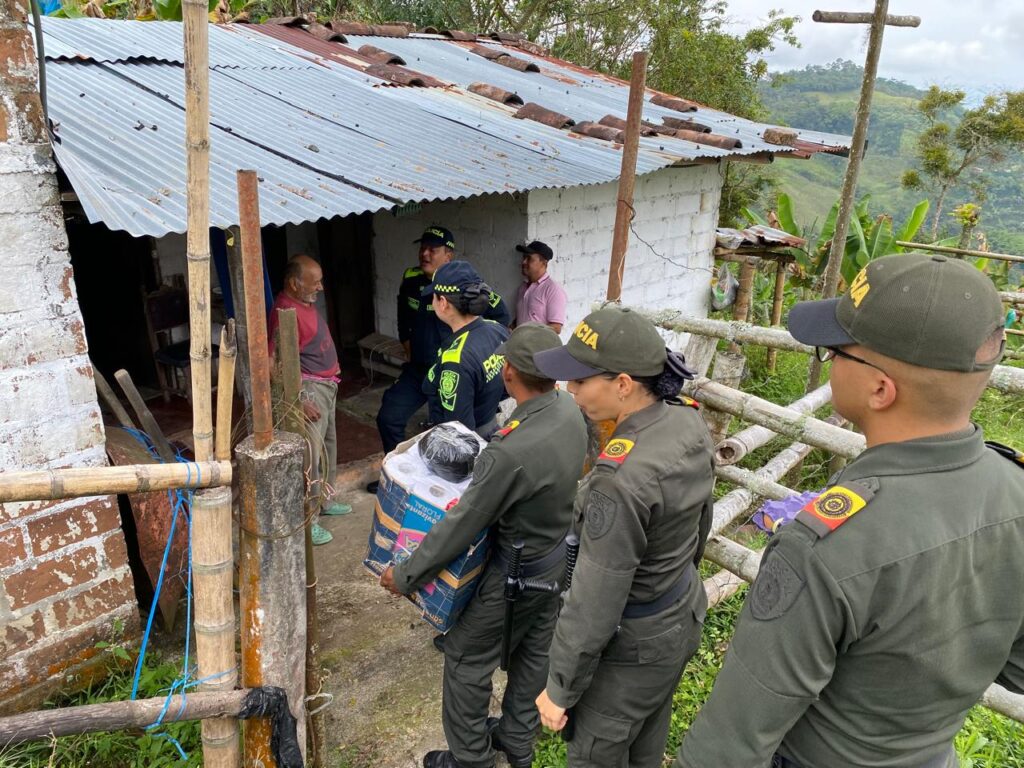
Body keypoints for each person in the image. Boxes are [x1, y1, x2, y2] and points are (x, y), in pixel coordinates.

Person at [675, 253, 1024, 768]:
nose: (829, 360)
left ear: (880, 389)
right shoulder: (1014, 489)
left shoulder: (823, 547)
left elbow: (729, 746)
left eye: (836, 351)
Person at [380, 323, 589, 768]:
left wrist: (405, 574)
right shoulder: (570, 412)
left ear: (508, 373)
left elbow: (462, 524)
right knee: (533, 648)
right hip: (555, 558)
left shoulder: (509, 449)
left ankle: (471, 759)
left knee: (464, 655)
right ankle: (516, 740)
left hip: (515, 571)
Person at [532, 306, 715, 768]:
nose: (570, 391)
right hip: (679, 613)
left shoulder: (620, 479)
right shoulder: (685, 420)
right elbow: (700, 527)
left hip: (631, 648)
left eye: (580, 381)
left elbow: (596, 597)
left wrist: (560, 688)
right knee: (647, 735)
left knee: (598, 749)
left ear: (623, 384)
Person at [370, 226, 511, 493]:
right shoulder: (411, 278)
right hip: (420, 369)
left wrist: (477, 344)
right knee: (389, 415)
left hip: (452, 369)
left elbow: (501, 316)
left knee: (455, 434)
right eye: (422, 247)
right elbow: (404, 317)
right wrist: (408, 346)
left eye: (432, 250)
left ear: (448, 255)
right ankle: (395, 477)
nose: (424, 254)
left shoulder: (467, 286)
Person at [268, 254, 351, 547]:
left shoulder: (302, 304)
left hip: (327, 388)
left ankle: (325, 501)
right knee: (310, 458)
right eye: (314, 283)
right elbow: (274, 363)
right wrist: (300, 400)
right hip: (311, 391)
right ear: (294, 283)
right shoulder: (283, 312)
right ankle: (309, 521)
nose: (320, 288)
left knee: (328, 448)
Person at [421, 261, 509, 440]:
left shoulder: (456, 360)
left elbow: (460, 433)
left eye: (434, 296)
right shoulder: (496, 329)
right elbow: (506, 387)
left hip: (471, 444)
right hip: (491, 427)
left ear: (443, 302)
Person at [513, 240, 567, 333]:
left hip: (540, 346)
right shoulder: (523, 288)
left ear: (544, 263)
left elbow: (556, 328)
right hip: (520, 345)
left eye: (529, 258)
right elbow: (523, 318)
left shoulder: (553, 290)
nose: (524, 262)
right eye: (524, 257)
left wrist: (529, 335)